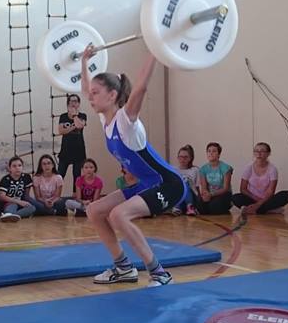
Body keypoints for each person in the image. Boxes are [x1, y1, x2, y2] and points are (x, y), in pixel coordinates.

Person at [80, 44, 185, 286]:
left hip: (168, 185)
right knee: (94, 210)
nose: (90, 97)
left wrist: (155, 48)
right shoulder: (105, 120)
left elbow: (141, 87)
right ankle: (124, 268)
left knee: (119, 215)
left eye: (96, 93)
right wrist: (84, 61)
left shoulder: (125, 121)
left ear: (112, 95)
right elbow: (85, 88)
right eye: (91, 93)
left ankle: (159, 273)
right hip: (147, 184)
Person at [231, 142, 288, 215]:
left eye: (262, 151)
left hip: (267, 199)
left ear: (268, 153)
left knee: (287, 194)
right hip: (252, 198)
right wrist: (257, 200)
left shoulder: (272, 169)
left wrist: (259, 203)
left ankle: (255, 210)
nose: (259, 153)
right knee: (235, 197)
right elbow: (243, 189)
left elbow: (271, 191)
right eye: (256, 151)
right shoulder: (248, 167)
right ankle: (268, 210)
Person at [57, 94, 88, 192]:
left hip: (79, 150)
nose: (74, 103)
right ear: (68, 103)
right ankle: (55, 195)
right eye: (71, 101)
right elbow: (61, 131)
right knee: (60, 175)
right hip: (65, 150)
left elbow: (80, 126)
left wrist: (74, 116)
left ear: (79, 103)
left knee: (77, 176)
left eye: (76, 101)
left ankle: (76, 196)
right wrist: (74, 126)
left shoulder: (82, 115)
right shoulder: (63, 116)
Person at [0, 156, 35, 222]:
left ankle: (9, 216)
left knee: (32, 208)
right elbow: (1, 196)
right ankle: (9, 214)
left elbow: (26, 195)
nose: (17, 168)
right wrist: (18, 201)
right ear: (10, 168)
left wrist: (27, 202)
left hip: (21, 203)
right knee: (11, 207)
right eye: (14, 166)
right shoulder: (5, 179)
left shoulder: (26, 177)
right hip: (9, 202)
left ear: (22, 167)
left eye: (19, 165)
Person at [197, 142, 233, 215]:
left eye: (214, 151)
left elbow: (225, 188)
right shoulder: (203, 169)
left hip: (223, 194)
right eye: (209, 151)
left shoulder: (226, 168)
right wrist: (206, 194)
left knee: (215, 206)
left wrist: (211, 194)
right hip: (209, 194)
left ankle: (226, 206)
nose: (211, 153)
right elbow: (204, 187)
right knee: (199, 206)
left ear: (219, 154)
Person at [173, 145, 199, 216]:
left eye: (185, 157)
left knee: (185, 181)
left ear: (190, 158)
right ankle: (177, 208)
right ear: (178, 158)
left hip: (192, 197)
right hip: (178, 198)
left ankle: (190, 206)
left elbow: (197, 188)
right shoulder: (174, 170)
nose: (182, 159)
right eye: (180, 157)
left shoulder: (195, 170)